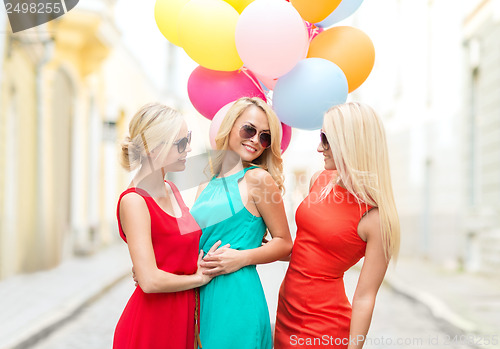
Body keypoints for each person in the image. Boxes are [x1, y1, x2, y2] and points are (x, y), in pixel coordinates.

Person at [274, 102, 400, 349]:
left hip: (324, 329)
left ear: (351, 143)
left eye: (326, 139)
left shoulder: (375, 217)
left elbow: (365, 297)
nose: (319, 147)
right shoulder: (319, 180)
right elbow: (309, 250)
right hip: (286, 312)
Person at [113, 103, 221, 349]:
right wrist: (198, 278)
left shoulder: (171, 188)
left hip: (181, 317)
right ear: (153, 149)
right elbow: (149, 281)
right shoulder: (134, 201)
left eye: (189, 139)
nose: (189, 148)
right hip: (151, 325)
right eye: (181, 143)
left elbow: (170, 255)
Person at [190, 97, 293, 349]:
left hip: (236, 295)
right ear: (230, 126)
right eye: (249, 129)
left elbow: (284, 243)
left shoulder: (259, 179)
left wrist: (241, 257)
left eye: (265, 137)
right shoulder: (206, 182)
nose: (256, 140)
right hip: (198, 293)